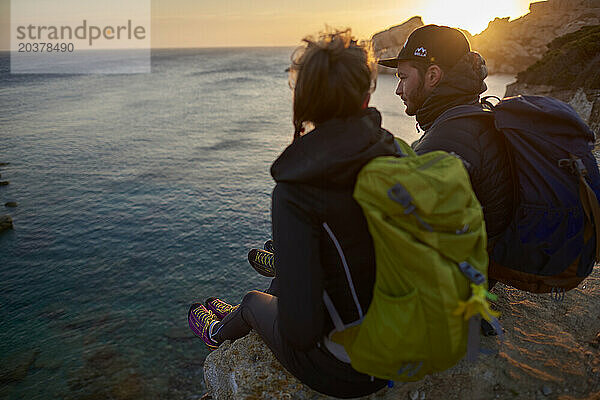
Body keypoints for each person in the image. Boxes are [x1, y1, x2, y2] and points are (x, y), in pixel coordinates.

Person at [189, 30, 398, 398]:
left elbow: (300, 331)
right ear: (367, 94)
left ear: (304, 101)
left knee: (256, 301)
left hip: (352, 370)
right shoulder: (396, 155)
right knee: (286, 278)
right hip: (409, 339)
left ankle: (216, 332)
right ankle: (240, 312)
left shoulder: (298, 191)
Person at [379, 25, 514, 277]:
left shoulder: (448, 142)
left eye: (403, 78)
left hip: (459, 287)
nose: (398, 90)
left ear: (432, 75)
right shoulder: (474, 116)